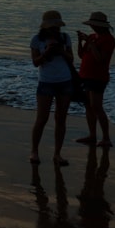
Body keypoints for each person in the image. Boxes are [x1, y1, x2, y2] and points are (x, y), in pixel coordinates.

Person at [29, 10, 74, 166]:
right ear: (45, 27)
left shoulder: (65, 38)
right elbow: (35, 63)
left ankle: (57, 154)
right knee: (42, 119)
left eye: (57, 27)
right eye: (52, 27)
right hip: (46, 82)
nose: (55, 29)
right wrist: (47, 52)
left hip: (65, 82)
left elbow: (71, 59)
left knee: (61, 119)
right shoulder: (37, 40)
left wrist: (60, 50)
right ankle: (34, 151)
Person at [76, 12, 115, 148]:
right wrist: (81, 41)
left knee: (97, 107)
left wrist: (92, 44)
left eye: (94, 25)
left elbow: (101, 59)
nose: (92, 27)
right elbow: (81, 55)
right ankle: (92, 135)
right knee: (88, 106)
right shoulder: (92, 37)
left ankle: (106, 138)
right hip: (85, 75)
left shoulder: (108, 40)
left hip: (98, 77)